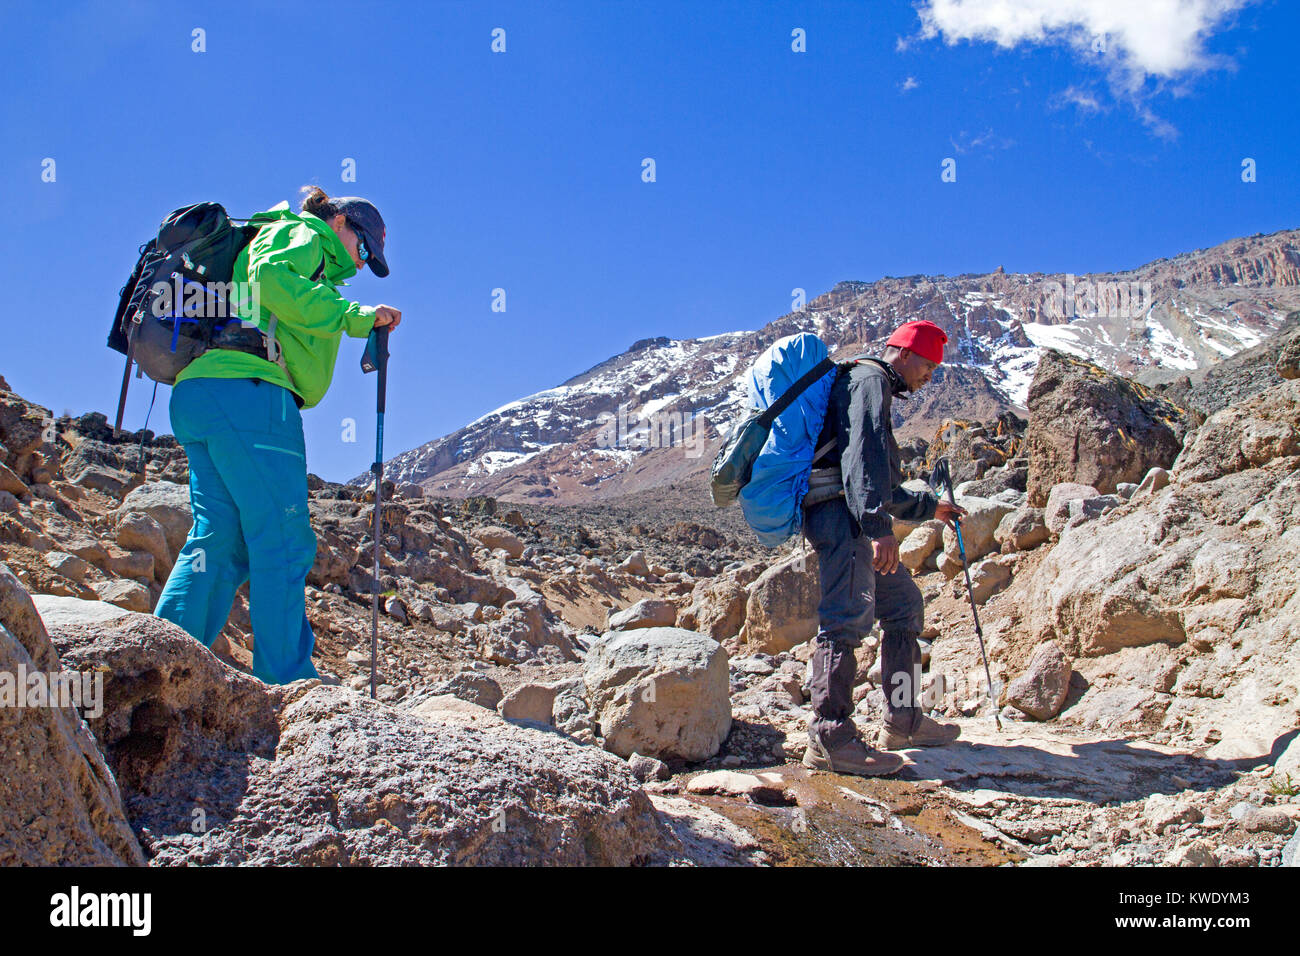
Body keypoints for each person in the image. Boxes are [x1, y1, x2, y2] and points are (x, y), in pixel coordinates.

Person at [155, 186, 401, 684]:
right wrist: (357, 318)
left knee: (221, 538)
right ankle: (289, 684)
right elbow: (271, 280)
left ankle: (160, 667)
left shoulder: (270, 236)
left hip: (206, 392)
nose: (359, 265)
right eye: (363, 250)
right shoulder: (304, 234)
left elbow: (264, 287)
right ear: (340, 224)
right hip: (254, 397)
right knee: (283, 542)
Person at [800, 319, 966, 777]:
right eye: (928, 367)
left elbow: (879, 478)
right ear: (906, 354)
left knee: (904, 607)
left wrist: (930, 507)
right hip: (841, 517)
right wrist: (878, 530)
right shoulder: (870, 381)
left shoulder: (872, 383)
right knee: (846, 616)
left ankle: (903, 720)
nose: (929, 377)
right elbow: (862, 459)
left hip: (851, 512)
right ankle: (830, 737)